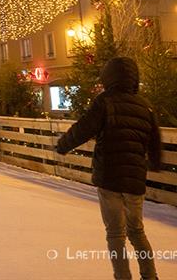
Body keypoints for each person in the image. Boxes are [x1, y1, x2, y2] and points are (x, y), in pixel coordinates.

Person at [55, 57, 161, 280]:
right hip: (135, 180)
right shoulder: (145, 105)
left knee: (115, 234)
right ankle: (150, 276)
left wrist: (63, 145)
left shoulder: (105, 102)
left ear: (109, 77)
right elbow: (155, 142)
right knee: (137, 231)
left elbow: (83, 128)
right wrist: (154, 162)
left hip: (110, 177)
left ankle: (123, 277)